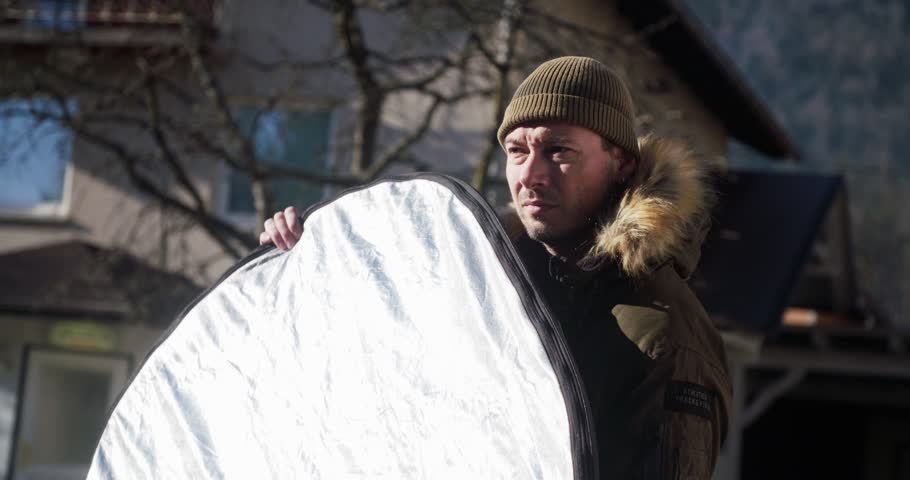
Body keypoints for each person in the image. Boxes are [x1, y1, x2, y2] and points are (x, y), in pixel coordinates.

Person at [261, 56, 731, 479]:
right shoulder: (483, 284)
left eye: (559, 152)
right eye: (517, 151)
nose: (530, 175)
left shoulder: (665, 336)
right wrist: (312, 262)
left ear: (621, 164)